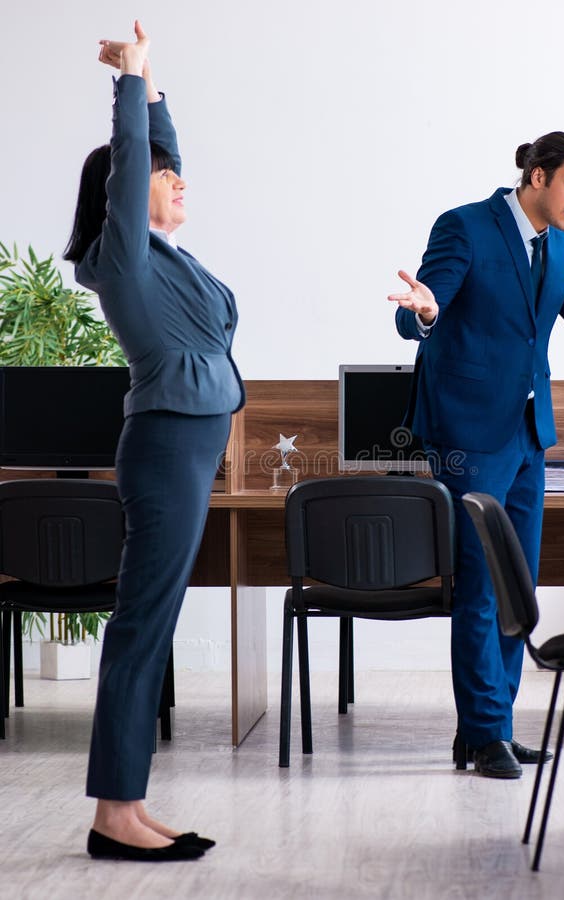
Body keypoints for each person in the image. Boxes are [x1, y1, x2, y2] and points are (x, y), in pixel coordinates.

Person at [64, 21, 244, 859]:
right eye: (167, 178)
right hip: (168, 447)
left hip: (187, 444)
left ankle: (127, 807)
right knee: (142, 626)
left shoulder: (165, 256)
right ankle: (113, 816)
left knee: (152, 624)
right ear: (127, 197)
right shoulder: (124, 256)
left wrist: (155, 85)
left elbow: (154, 156)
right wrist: (128, 84)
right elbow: (136, 162)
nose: (180, 183)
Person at [388, 132, 564, 779]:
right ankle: (486, 732)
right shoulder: (467, 227)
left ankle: (492, 730)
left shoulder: (557, 245)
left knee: (517, 588)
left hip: (527, 436)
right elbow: (418, 311)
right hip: (467, 434)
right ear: (539, 177)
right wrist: (426, 311)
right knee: (481, 586)